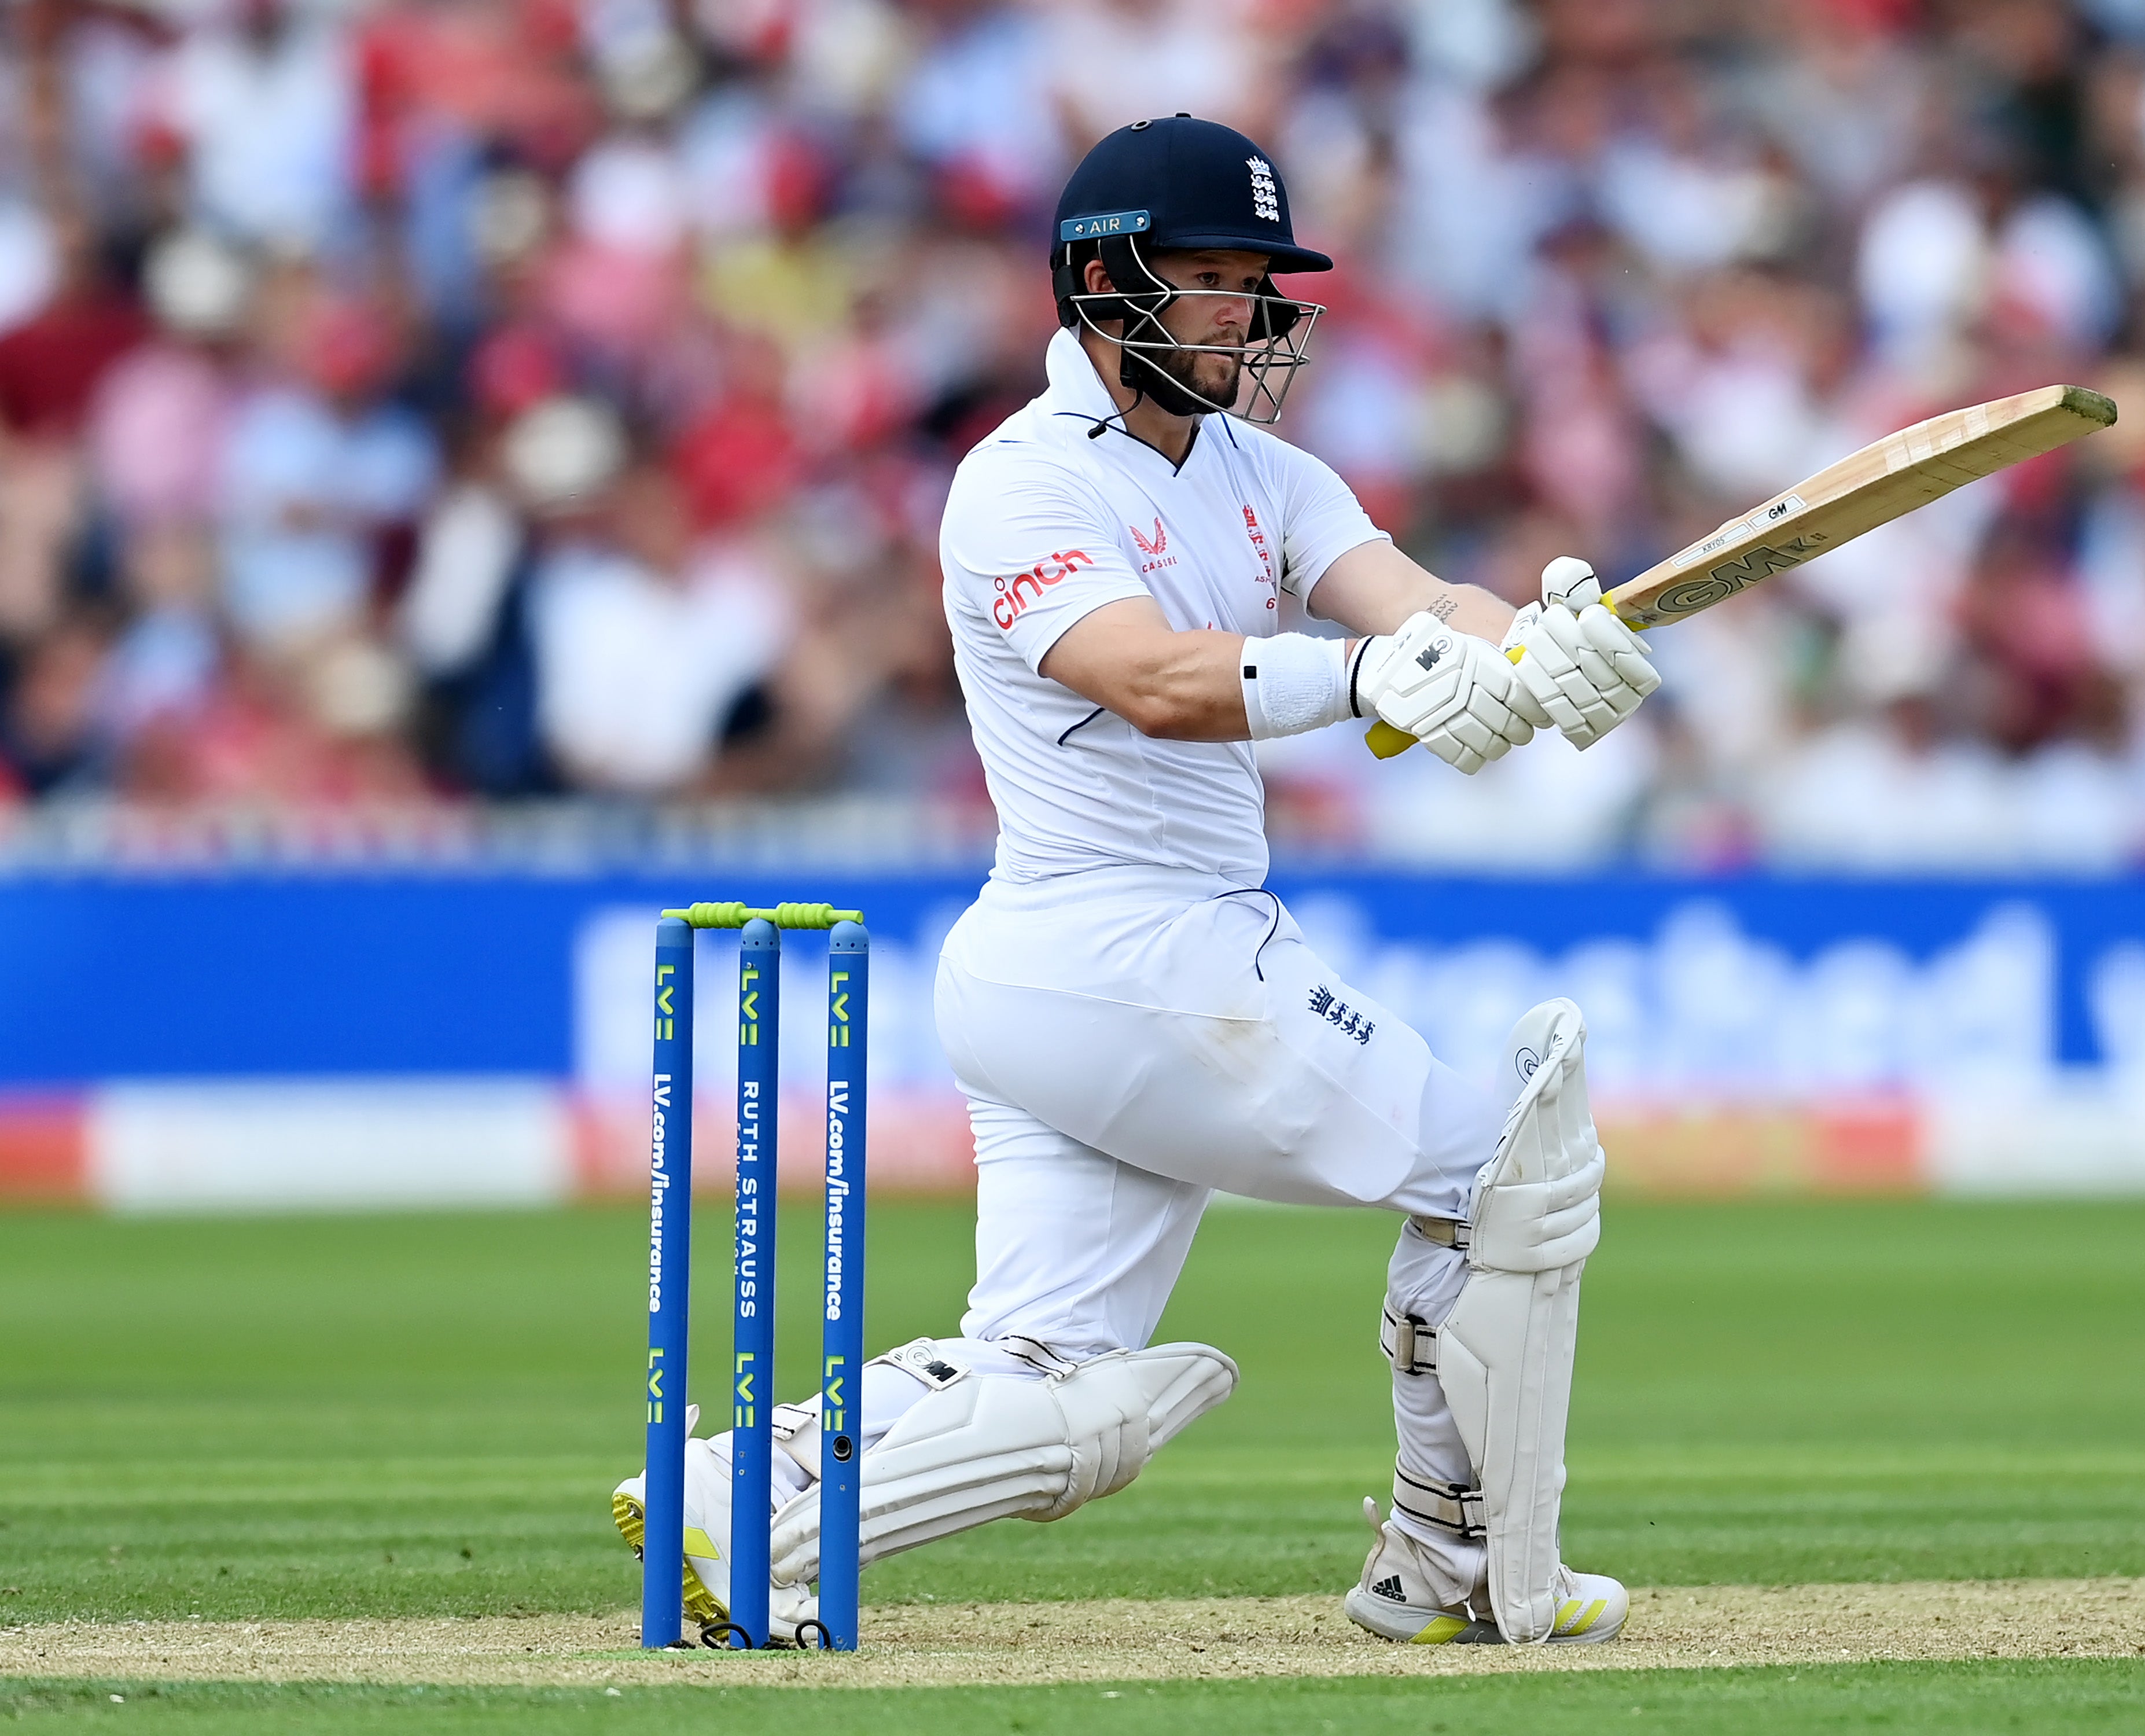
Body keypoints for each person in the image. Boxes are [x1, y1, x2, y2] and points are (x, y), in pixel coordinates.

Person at [615, 116, 1659, 1647]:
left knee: (1045, 1366)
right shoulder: (1016, 485)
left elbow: (1422, 598)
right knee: (1508, 1170)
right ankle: (1458, 1563)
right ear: (1105, 287)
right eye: (1212, 281)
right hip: (1130, 957)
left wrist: (1541, 637)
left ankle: (735, 1504)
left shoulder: (1265, 471)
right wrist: (1377, 674)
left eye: (1258, 284)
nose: (1246, 315)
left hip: (1089, 977)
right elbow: (1152, 678)